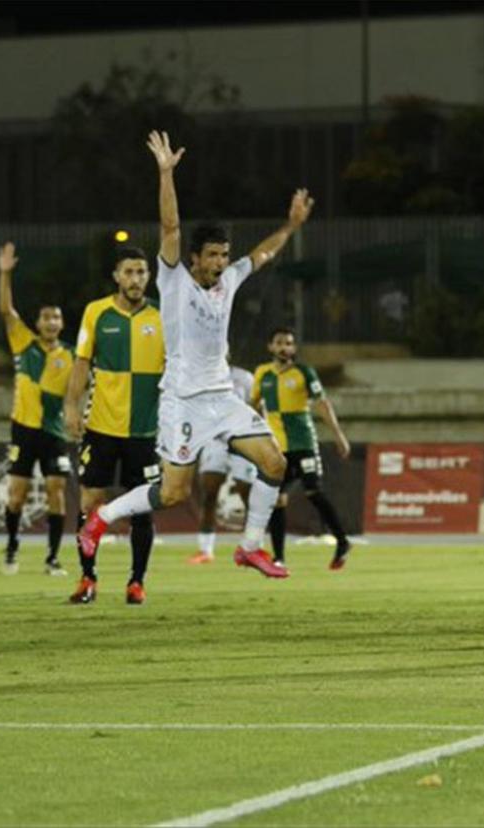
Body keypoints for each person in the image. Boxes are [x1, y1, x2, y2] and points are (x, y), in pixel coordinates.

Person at [77, 130, 314, 582]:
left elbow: (262, 254)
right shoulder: (174, 281)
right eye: (213, 256)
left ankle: (249, 548)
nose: (222, 262)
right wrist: (166, 174)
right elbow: (170, 228)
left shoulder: (229, 280)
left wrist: (291, 226)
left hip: (222, 398)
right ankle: (101, 518)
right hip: (183, 401)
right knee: (171, 493)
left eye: (225, 255)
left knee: (274, 463)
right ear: (194, 258)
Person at [63, 245, 164, 604]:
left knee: (142, 508)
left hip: (145, 430)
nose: (136, 279)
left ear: (149, 276)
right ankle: (87, 579)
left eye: (141, 272)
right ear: (116, 276)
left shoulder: (163, 314)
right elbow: (81, 363)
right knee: (90, 502)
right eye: (129, 272)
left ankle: (136, 582)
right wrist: (71, 406)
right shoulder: (96, 312)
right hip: (101, 426)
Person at [0, 242, 73, 576]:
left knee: (57, 492)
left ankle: (52, 558)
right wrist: (4, 273)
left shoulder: (71, 355)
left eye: (56, 317)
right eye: (46, 317)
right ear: (38, 322)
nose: (51, 322)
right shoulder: (23, 343)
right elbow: (6, 310)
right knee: (16, 496)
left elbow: (80, 390)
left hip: (54, 432)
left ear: (62, 322)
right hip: (23, 430)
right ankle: (12, 547)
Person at [251, 327, 353, 571]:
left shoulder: (304, 372)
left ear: (294, 348)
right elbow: (253, 405)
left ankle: (342, 541)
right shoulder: (262, 373)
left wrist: (338, 435)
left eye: (288, 343)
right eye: (279, 343)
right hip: (278, 449)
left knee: (313, 491)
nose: (284, 347)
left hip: (304, 444)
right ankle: (279, 558)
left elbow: (322, 403)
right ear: (270, 347)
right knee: (276, 499)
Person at [188, 363, 258, 564]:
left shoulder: (245, 377)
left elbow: (256, 406)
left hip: (241, 441)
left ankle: (253, 548)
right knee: (209, 493)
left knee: (248, 495)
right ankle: (205, 550)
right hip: (214, 442)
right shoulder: (201, 377)